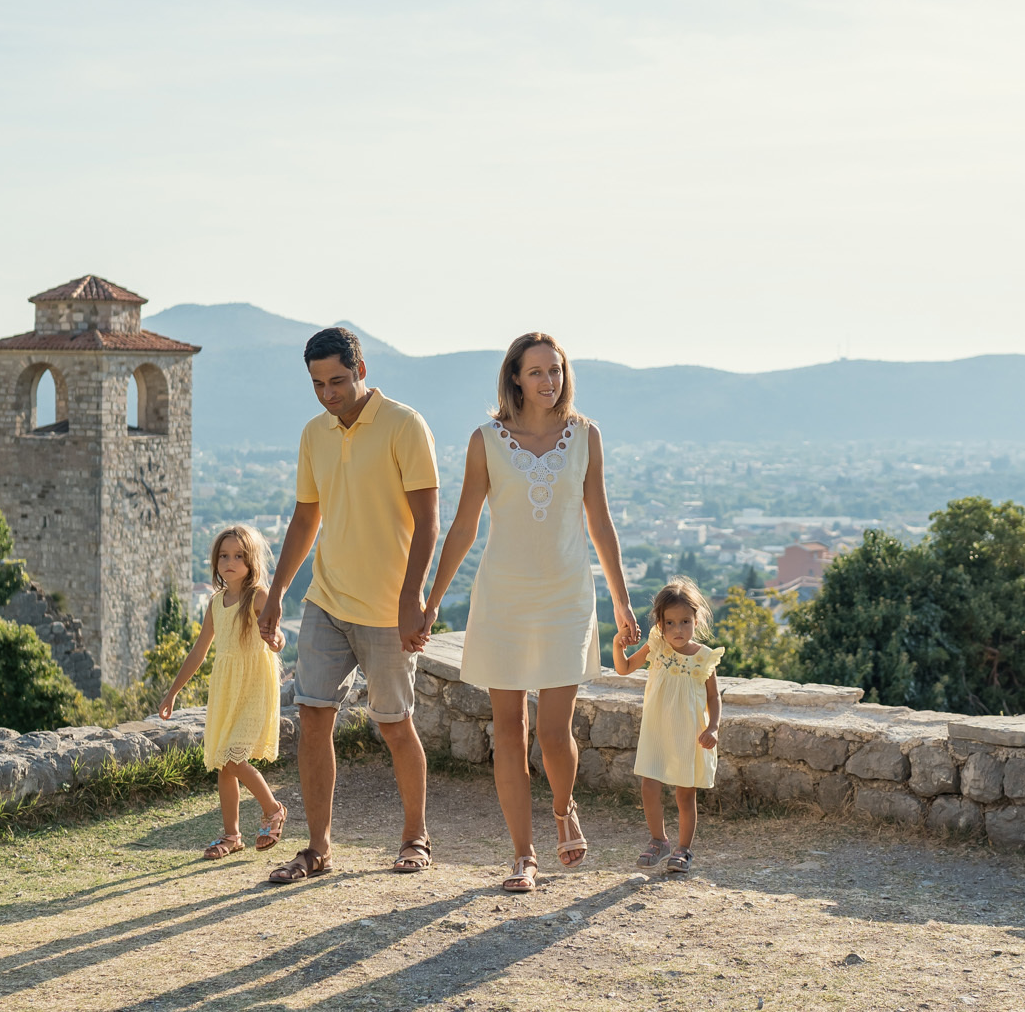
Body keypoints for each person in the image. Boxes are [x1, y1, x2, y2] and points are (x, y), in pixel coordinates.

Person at [421, 331, 641, 893]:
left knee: (553, 730)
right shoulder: (486, 440)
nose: (550, 380)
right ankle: (523, 855)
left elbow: (599, 521)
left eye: (557, 370)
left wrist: (621, 599)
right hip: (503, 598)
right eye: (538, 371)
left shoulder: (586, 435)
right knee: (509, 732)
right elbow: (465, 526)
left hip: (567, 597)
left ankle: (563, 807)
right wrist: (432, 601)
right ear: (515, 377)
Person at [258, 327, 440, 883]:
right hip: (327, 601)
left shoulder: (404, 425)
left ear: (360, 368)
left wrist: (414, 600)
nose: (328, 394)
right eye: (317, 384)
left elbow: (429, 521)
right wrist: (279, 591)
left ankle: (416, 837)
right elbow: (305, 518)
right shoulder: (314, 434)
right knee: (312, 717)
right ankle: (317, 849)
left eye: (337, 381)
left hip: (388, 610)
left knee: (394, 724)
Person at [159, 524, 287, 859]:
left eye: (239, 555)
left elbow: (278, 634)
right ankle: (232, 836)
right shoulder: (216, 602)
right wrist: (173, 692)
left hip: (254, 683)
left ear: (251, 560)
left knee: (233, 756)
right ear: (215, 561)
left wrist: (276, 641)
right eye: (224, 556)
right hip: (227, 687)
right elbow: (199, 650)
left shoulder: (258, 596)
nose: (230, 561)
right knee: (224, 764)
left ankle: (273, 810)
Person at [610, 578, 723, 874]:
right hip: (657, 731)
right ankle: (658, 840)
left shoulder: (703, 658)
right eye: (670, 622)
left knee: (685, 794)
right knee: (649, 786)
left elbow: (713, 697)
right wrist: (617, 644)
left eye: (685, 621)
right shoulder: (656, 647)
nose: (678, 629)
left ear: (696, 620)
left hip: (689, 735)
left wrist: (712, 728)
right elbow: (623, 668)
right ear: (660, 623)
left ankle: (683, 849)